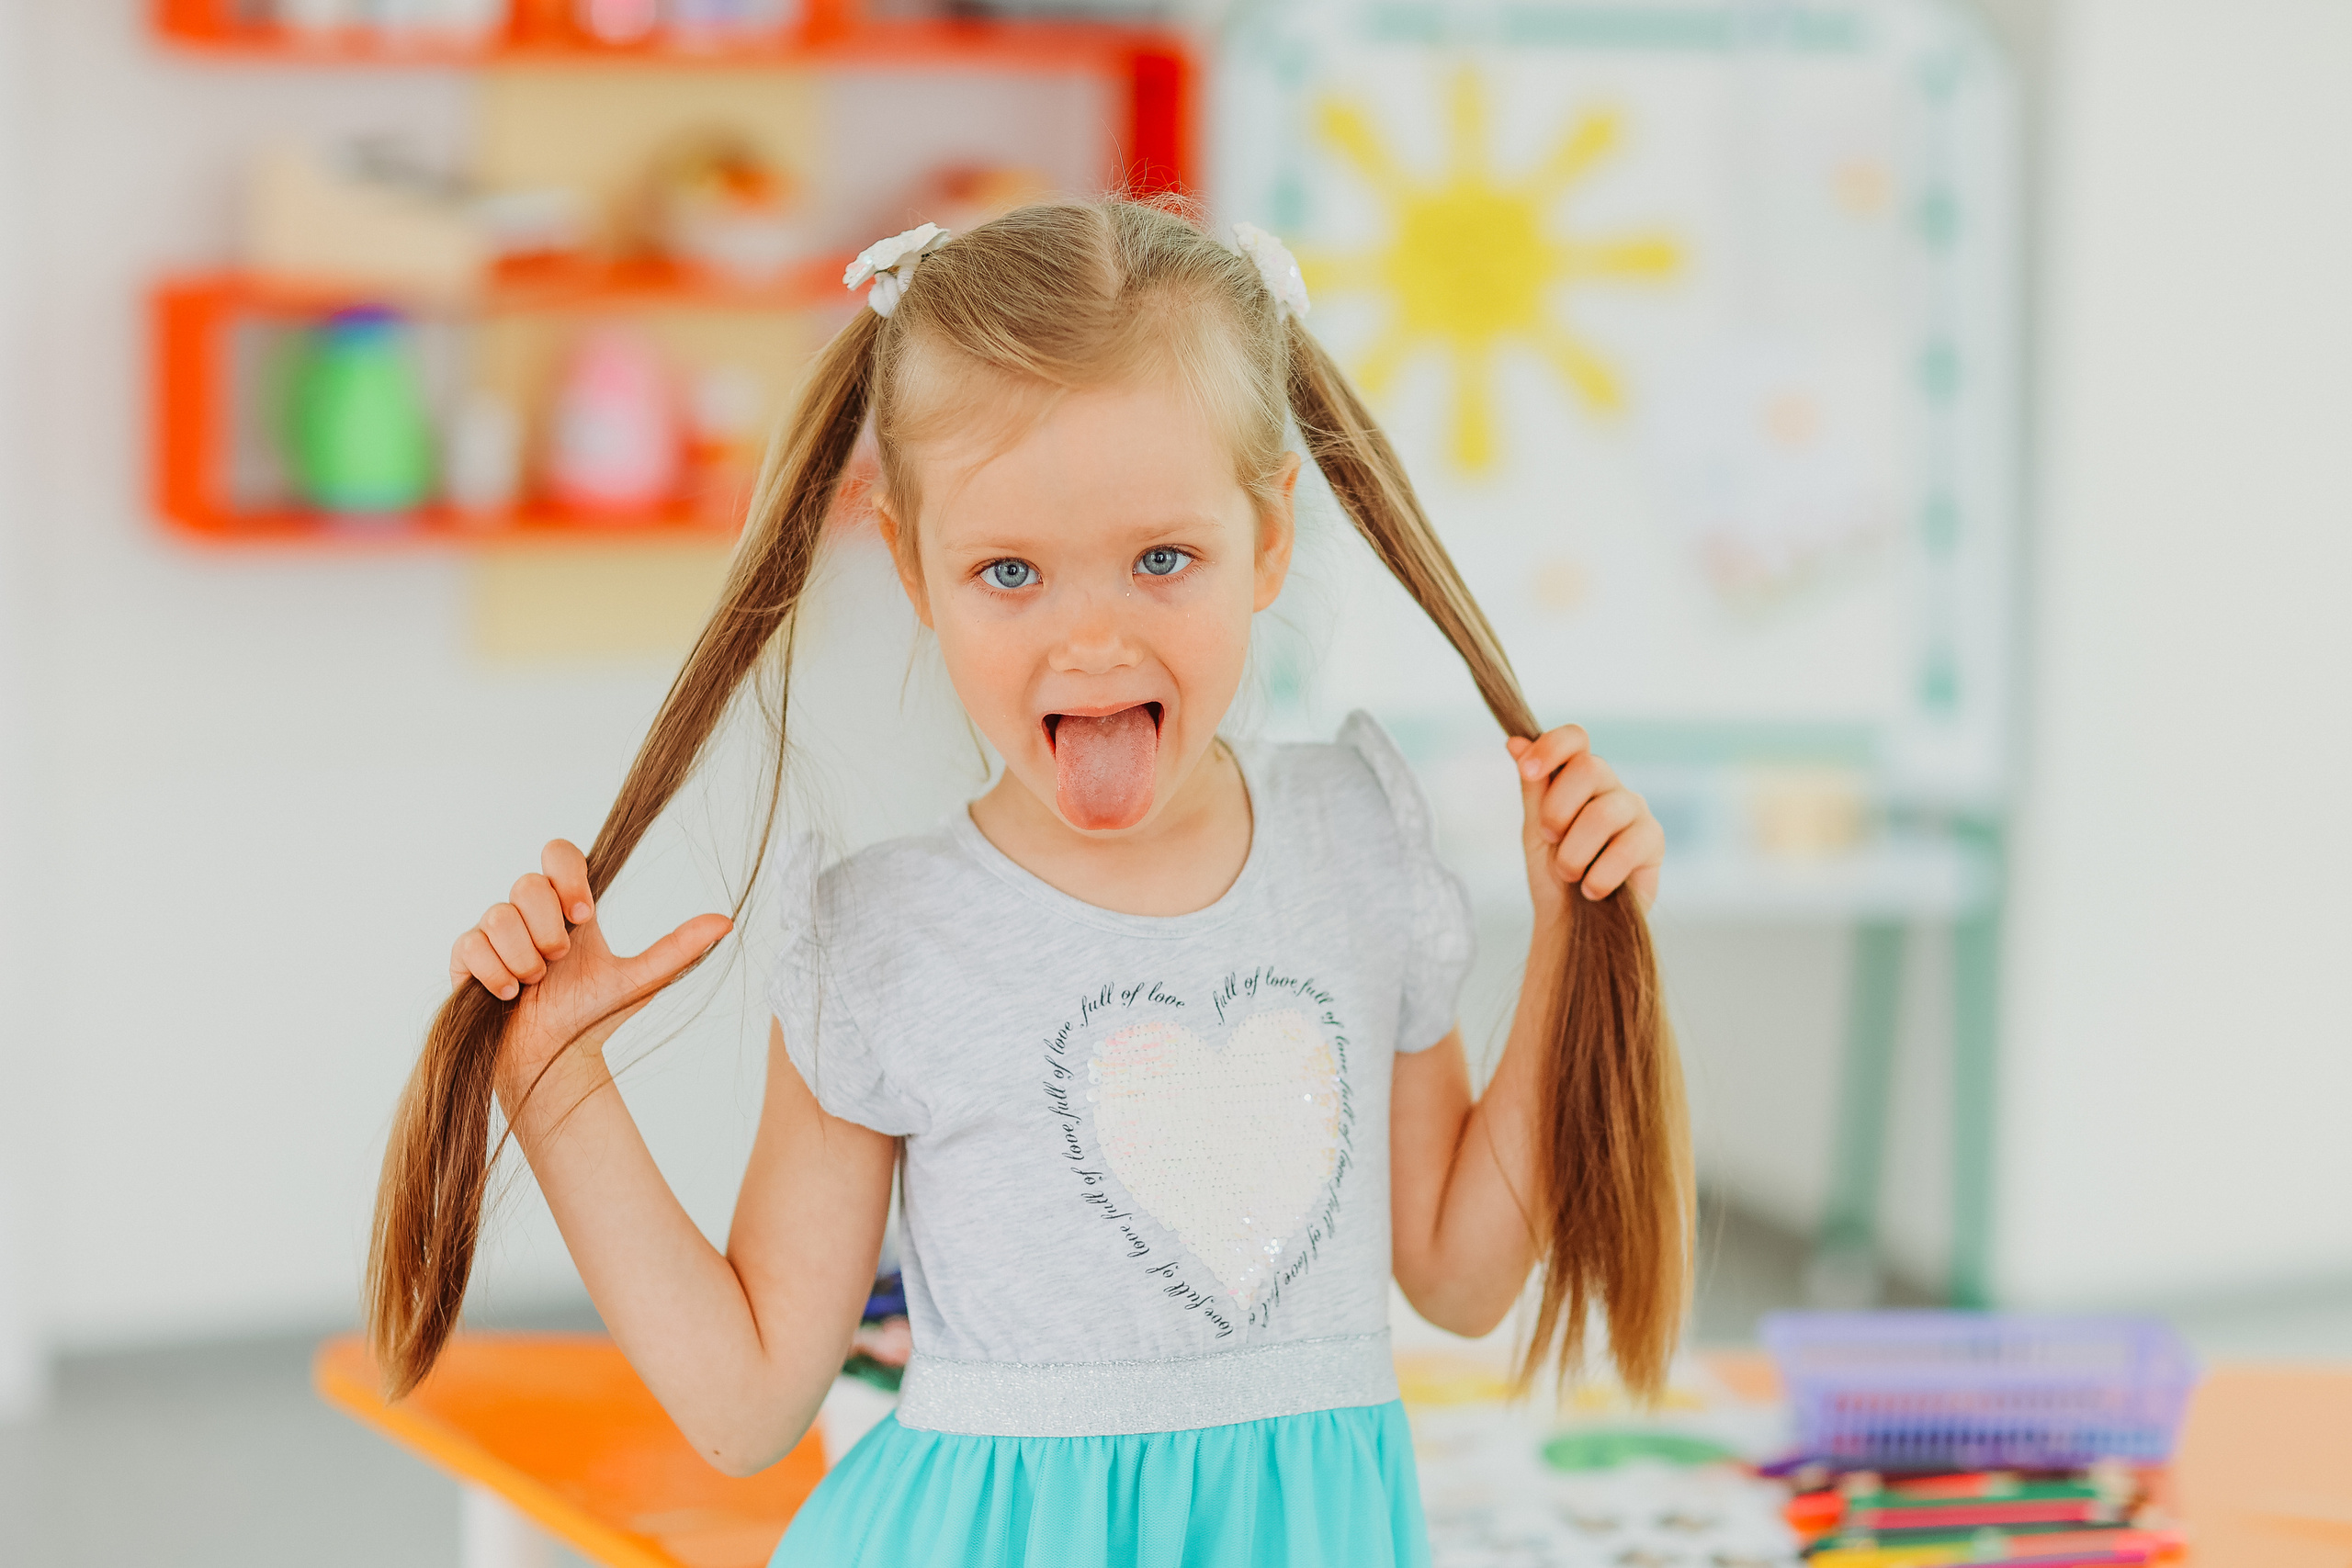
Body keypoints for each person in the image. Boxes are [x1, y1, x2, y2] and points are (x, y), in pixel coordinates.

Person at [370, 199, 1689, 1567]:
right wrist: (552, 1076)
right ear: (913, 568)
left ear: (1270, 536)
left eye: (1163, 559)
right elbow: (747, 1402)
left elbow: (1463, 1277)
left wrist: (1575, 937)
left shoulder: (1358, 841)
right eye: (1010, 572)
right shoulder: (884, 940)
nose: (1092, 642)